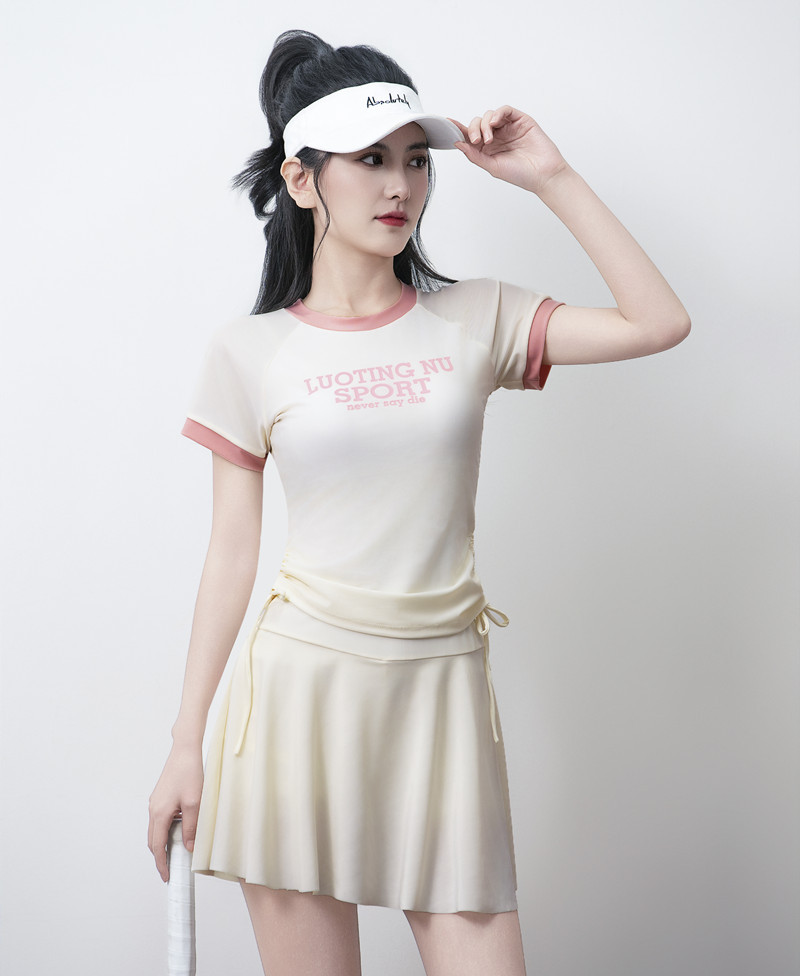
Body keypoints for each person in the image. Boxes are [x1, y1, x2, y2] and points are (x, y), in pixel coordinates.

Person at [147, 27, 690, 976]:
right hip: (298, 705)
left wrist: (552, 177)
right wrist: (185, 743)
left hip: (442, 705)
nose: (400, 184)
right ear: (302, 179)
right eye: (370, 160)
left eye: (414, 159)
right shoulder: (249, 351)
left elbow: (659, 322)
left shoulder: (476, 317)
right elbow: (231, 552)